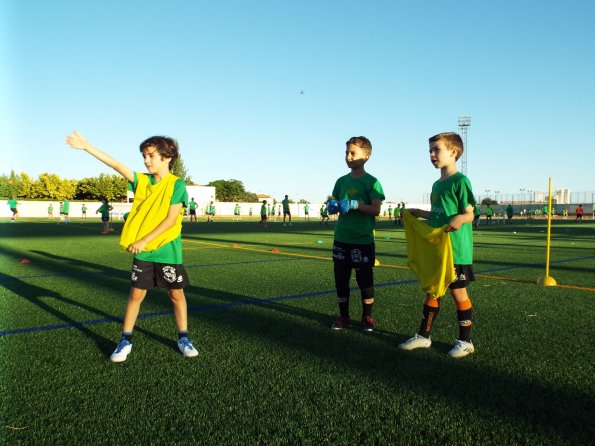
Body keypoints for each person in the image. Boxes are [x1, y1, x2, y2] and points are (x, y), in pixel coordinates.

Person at [66, 130, 198, 362]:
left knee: (176, 293)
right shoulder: (142, 181)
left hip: (167, 249)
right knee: (136, 294)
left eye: (151, 156)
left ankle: (183, 337)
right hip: (144, 251)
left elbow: (170, 219)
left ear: (167, 158)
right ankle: (125, 339)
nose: (146, 161)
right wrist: (87, 146)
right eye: (144, 156)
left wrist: (144, 240)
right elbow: (117, 165)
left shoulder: (177, 185)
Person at [399, 132, 476, 358]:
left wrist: (460, 219)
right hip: (438, 250)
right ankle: (424, 336)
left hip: (456, 251)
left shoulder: (460, 181)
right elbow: (437, 214)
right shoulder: (437, 184)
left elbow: (469, 213)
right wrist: (419, 213)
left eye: (436, 150)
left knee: (458, 293)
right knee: (433, 292)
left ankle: (466, 340)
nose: (432, 155)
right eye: (430, 151)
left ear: (453, 152)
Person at [327, 136, 384, 332]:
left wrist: (355, 204)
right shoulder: (341, 181)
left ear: (366, 156)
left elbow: (376, 210)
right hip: (342, 237)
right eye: (346, 153)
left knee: (365, 280)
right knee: (341, 279)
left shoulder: (372, 182)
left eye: (353, 153)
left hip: (362, 239)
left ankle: (367, 317)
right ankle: (343, 316)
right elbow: (334, 204)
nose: (348, 157)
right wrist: (332, 207)